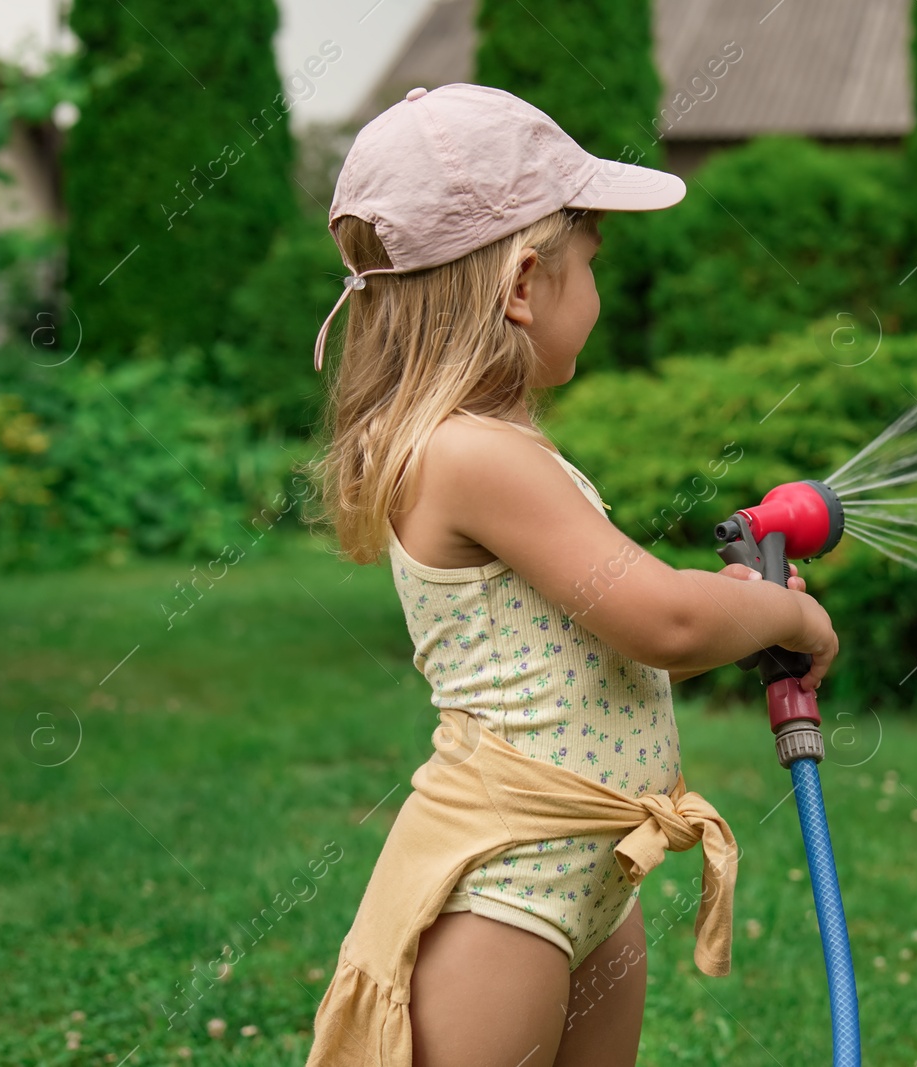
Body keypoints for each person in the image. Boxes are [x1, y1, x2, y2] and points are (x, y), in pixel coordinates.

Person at [299, 83, 838, 1067]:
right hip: (504, 880)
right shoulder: (471, 454)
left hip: (587, 864)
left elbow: (613, 597)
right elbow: (663, 624)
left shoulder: (493, 445)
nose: (601, 290)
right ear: (522, 283)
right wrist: (782, 618)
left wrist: (732, 599)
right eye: (592, 264)